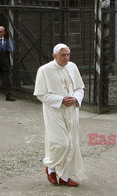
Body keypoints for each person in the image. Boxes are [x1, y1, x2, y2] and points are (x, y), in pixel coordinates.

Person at [33, 43, 85, 187]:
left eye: (68, 55)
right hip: (54, 112)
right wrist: (61, 100)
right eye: (63, 55)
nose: (66, 58)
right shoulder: (44, 70)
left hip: (72, 111)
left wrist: (76, 98)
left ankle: (65, 175)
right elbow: (41, 94)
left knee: (72, 144)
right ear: (54, 56)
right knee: (61, 143)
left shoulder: (72, 67)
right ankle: (50, 167)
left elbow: (80, 88)